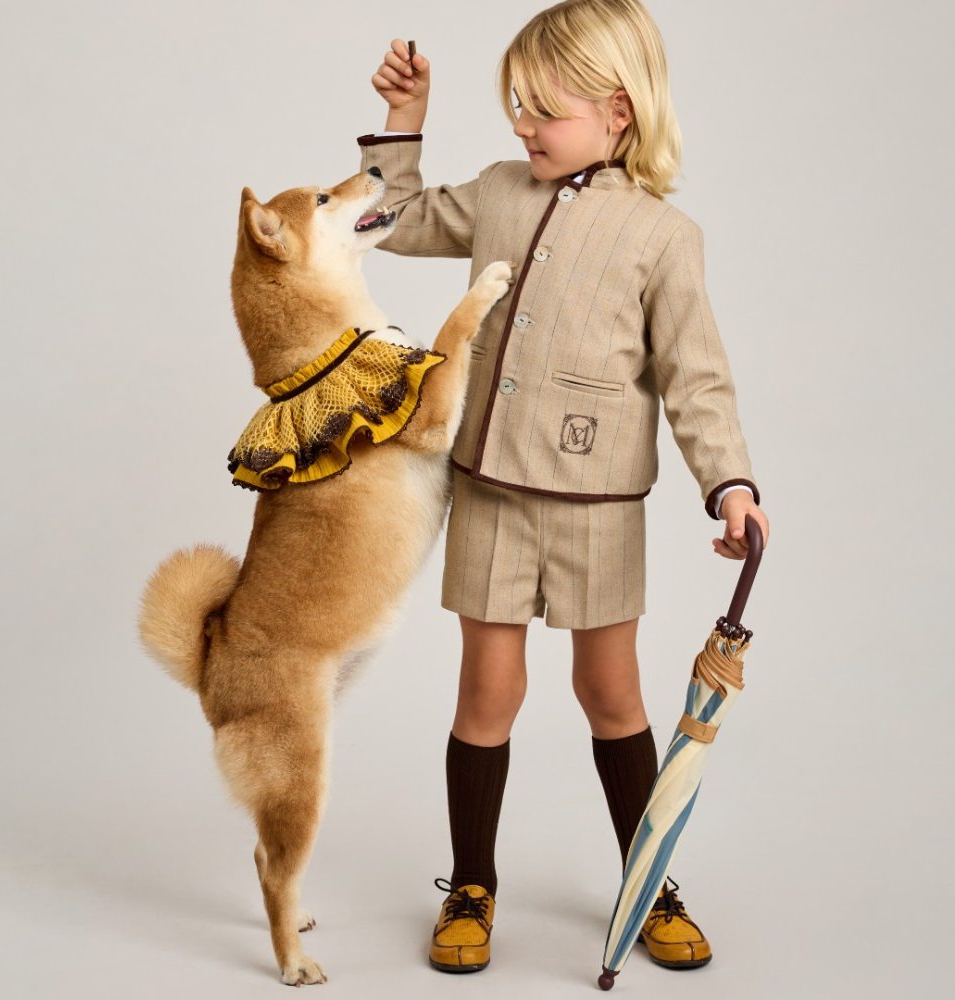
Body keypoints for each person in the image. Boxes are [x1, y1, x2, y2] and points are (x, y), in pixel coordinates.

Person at [358, 0, 770, 975]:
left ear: (617, 112)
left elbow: (695, 376)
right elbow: (388, 217)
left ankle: (646, 879)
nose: (521, 125)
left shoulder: (663, 236)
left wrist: (730, 484)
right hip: (491, 492)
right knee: (486, 690)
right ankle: (470, 883)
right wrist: (404, 123)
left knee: (609, 689)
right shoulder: (498, 192)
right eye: (515, 104)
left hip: (597, 506)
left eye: (543, 109)